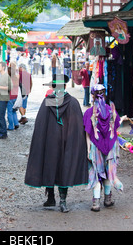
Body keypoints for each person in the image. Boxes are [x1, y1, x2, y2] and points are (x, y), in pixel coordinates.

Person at [25, 74, 88, 212]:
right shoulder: (72, 103)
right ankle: (63, 202)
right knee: (64, 168)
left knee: (50, 166)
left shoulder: (48, 101)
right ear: (65, 86)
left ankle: (51, 198)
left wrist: (41, 142)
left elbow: (41, 126)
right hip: (67, 142)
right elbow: (78, 127)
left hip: (50, 142)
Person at [83, 84, 125, 212]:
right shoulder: (111, 109)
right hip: (111, 147)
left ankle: (96, 203)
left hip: (96, 147)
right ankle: (108, 199)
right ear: (104, 94)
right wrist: (121, 119)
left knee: (96, 173)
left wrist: (88, 150)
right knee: (108, 172)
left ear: (92, 95)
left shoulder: (89, 113)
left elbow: (88, 134)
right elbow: (116, 127)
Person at [0, 61, 12, 139]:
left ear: (3, 67)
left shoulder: (6, 76)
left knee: (1, 116)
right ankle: (2, 132)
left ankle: (3, 133)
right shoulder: (0, 75)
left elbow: (10, 87)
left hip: (3, 99)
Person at [7, 62, 20, 131]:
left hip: (10, 97)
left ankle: (11, 126)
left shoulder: (9, 79)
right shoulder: (16, 78)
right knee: (14, 111)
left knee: (9, 112)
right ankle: (16, 123)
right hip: (16, 96)